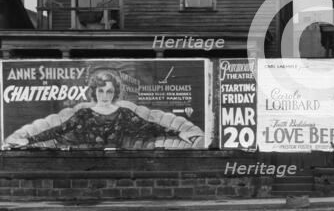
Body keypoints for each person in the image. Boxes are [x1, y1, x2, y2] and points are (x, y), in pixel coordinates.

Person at [4, 69, 204, 149]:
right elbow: (58, 130)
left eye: (109, 91)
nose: (105, 95)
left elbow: (150, 127)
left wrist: (179, 133)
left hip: (119, 166)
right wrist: (28, 140)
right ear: (94, 91)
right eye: (101, 90)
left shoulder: (124, 113)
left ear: (115, 92)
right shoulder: (84, 114)